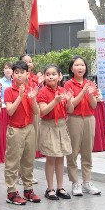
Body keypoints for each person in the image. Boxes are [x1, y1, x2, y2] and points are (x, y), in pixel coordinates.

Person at [2, 61, 40, 205]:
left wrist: (33, 98)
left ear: (27, 74)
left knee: (29, 160)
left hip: (29, 127)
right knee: (13, 161)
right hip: (15, 129)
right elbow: (10, 111)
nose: (19, 75)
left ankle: (28, 188)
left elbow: (37, 112)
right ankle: (11, 191)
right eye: (16, 72)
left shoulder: (32, 90)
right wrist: (20, 96)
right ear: (12, 74)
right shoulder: (8, 91)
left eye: (22, 72)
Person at [64, 56, 102, 197]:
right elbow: (71, 106)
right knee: (72, 152)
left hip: (89, 119)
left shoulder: (90, 84)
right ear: (72, 68)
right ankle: (75, 183)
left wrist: (91, 94)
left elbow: (94, 105)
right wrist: (83, 92)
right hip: (74, 119)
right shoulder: (68, 84)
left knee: (87, 152)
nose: (80, 67)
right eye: (77, 65)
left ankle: (87, 182)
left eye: (82, 65)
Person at [37, 65, 73, 200]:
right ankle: (50, 188)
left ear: (60, 76)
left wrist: (68, 100)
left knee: (60, 157)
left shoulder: (63, 90)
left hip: (62, 126)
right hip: (49, 127)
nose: (50, 76)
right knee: (51, 158)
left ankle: (60, 187)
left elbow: (70, 109)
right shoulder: (42, 92)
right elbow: (43, 111)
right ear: (44, 77)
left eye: (53, 74)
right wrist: (55, 100)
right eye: (48, 74)